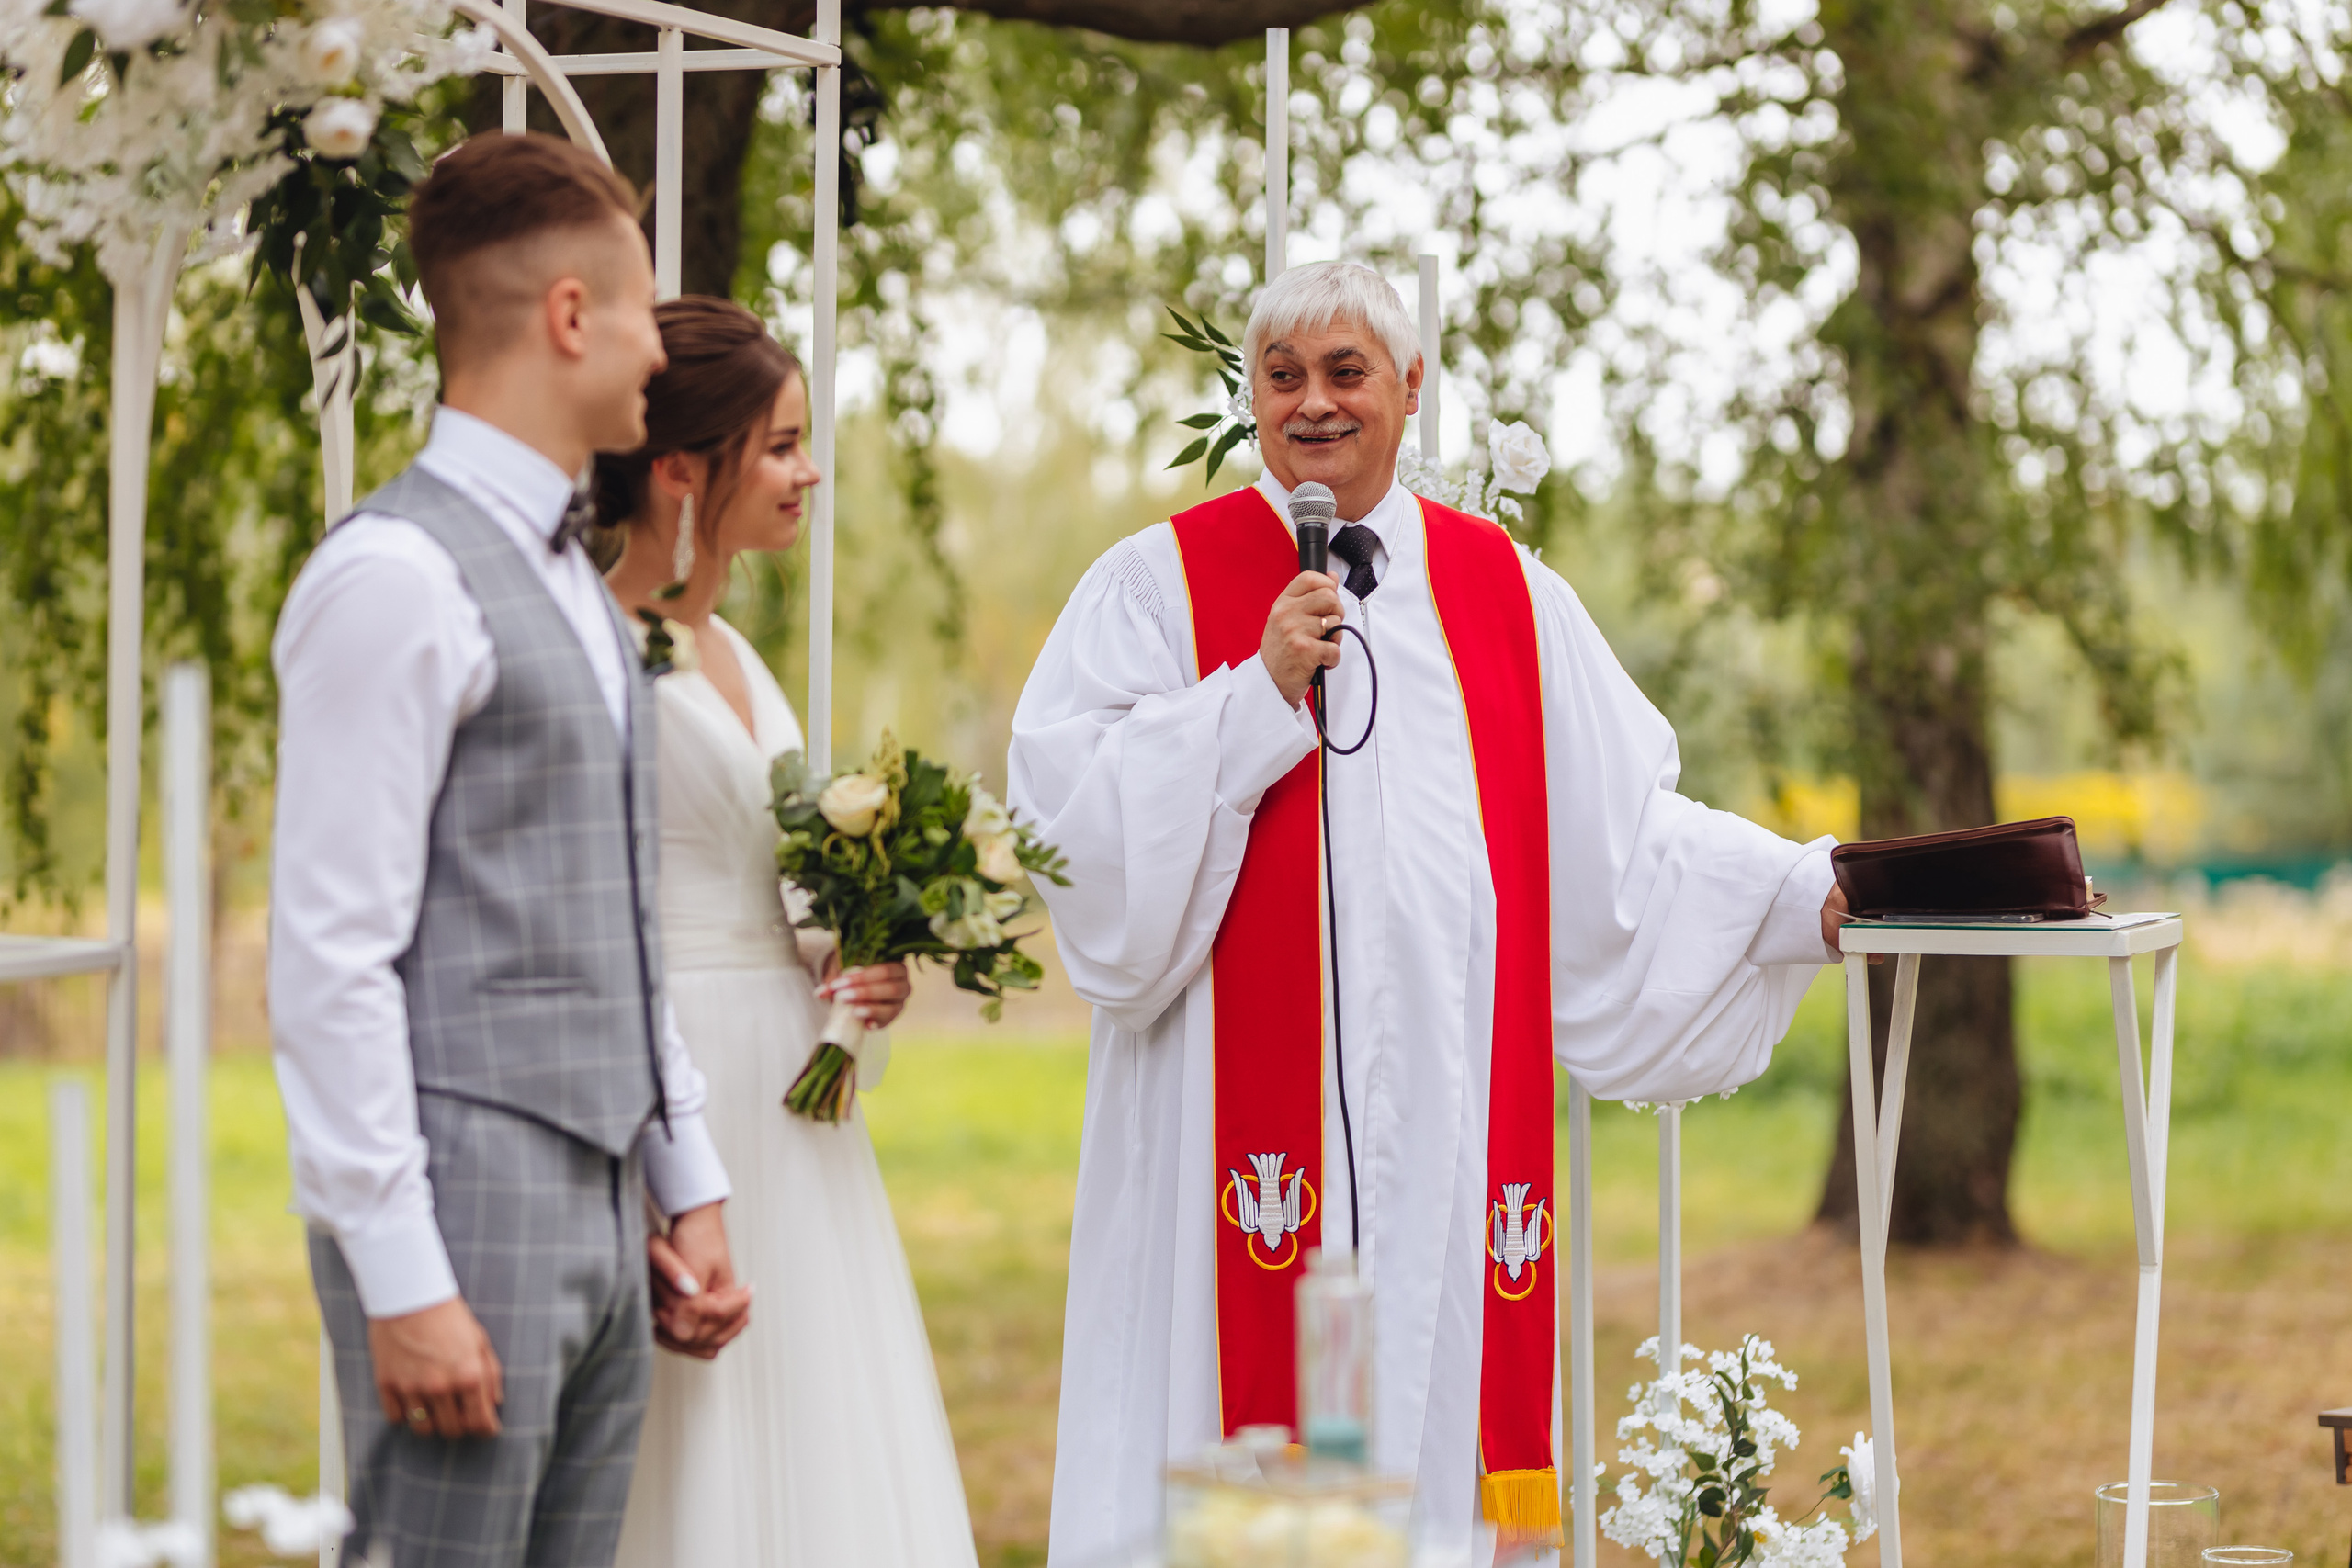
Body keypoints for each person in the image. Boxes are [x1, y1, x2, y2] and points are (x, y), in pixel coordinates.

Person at [1009, 261, 1857, 1567]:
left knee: (1428, 1451)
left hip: (1446, 1147)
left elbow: (1626, 835)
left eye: (1347, 372)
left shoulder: (1507, 593)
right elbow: (1077, 830)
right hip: (1227, 1161)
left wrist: (1804, 892)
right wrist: (1251, 699)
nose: (1313, 405)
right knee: (1243, 1462)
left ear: (1411, 389)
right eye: (1282, 376)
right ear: (1251, 395)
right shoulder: (1156, 587)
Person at [269, 133, 752, 1568]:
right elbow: (330, 961)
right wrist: (404, 1277)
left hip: (607, 1220)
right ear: (566, 316)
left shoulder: (580, 586)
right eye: (640, 313)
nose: (655, 357)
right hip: (458, 1202)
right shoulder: (393, 579)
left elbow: (611, 913)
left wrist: (686, 1177)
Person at [598, 296, 982, 1568]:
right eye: (779, 445)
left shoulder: (731, 651)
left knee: (818, 1432)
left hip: (794, 1096)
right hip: (690, 1077)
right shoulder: (605, 651)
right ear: (681, 470)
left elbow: (774, 878)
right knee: (697, 1454)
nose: (809, 471)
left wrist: (848, 964)